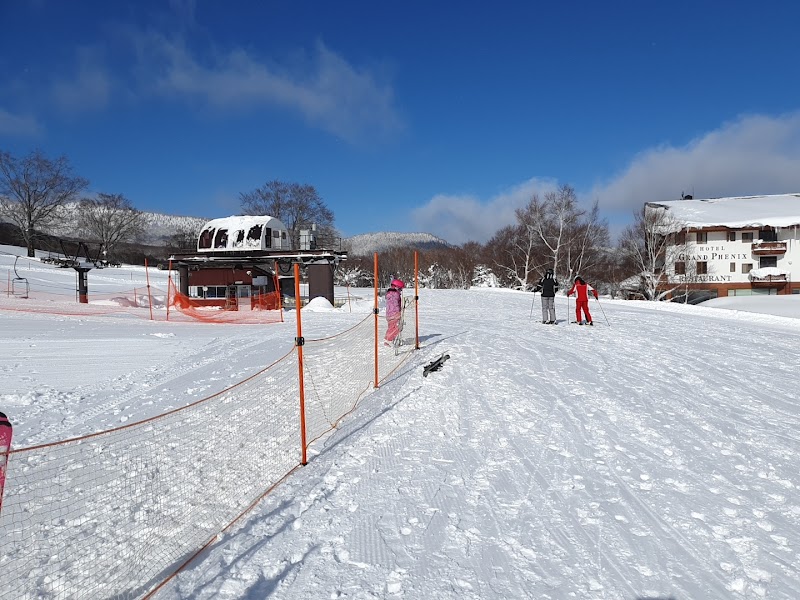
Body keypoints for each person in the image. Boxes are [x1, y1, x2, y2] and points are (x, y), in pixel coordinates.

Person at [384, 278, 405, 345]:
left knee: (391, 327)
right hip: (394, 314)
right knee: (398, 327)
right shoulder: (395, 294)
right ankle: (389, 340)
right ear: (397, 287)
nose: (401, 291)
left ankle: (389, 340)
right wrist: (399, 312)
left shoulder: (390, 293)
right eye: (400, 289)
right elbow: (395, 305)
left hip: (389, 314)